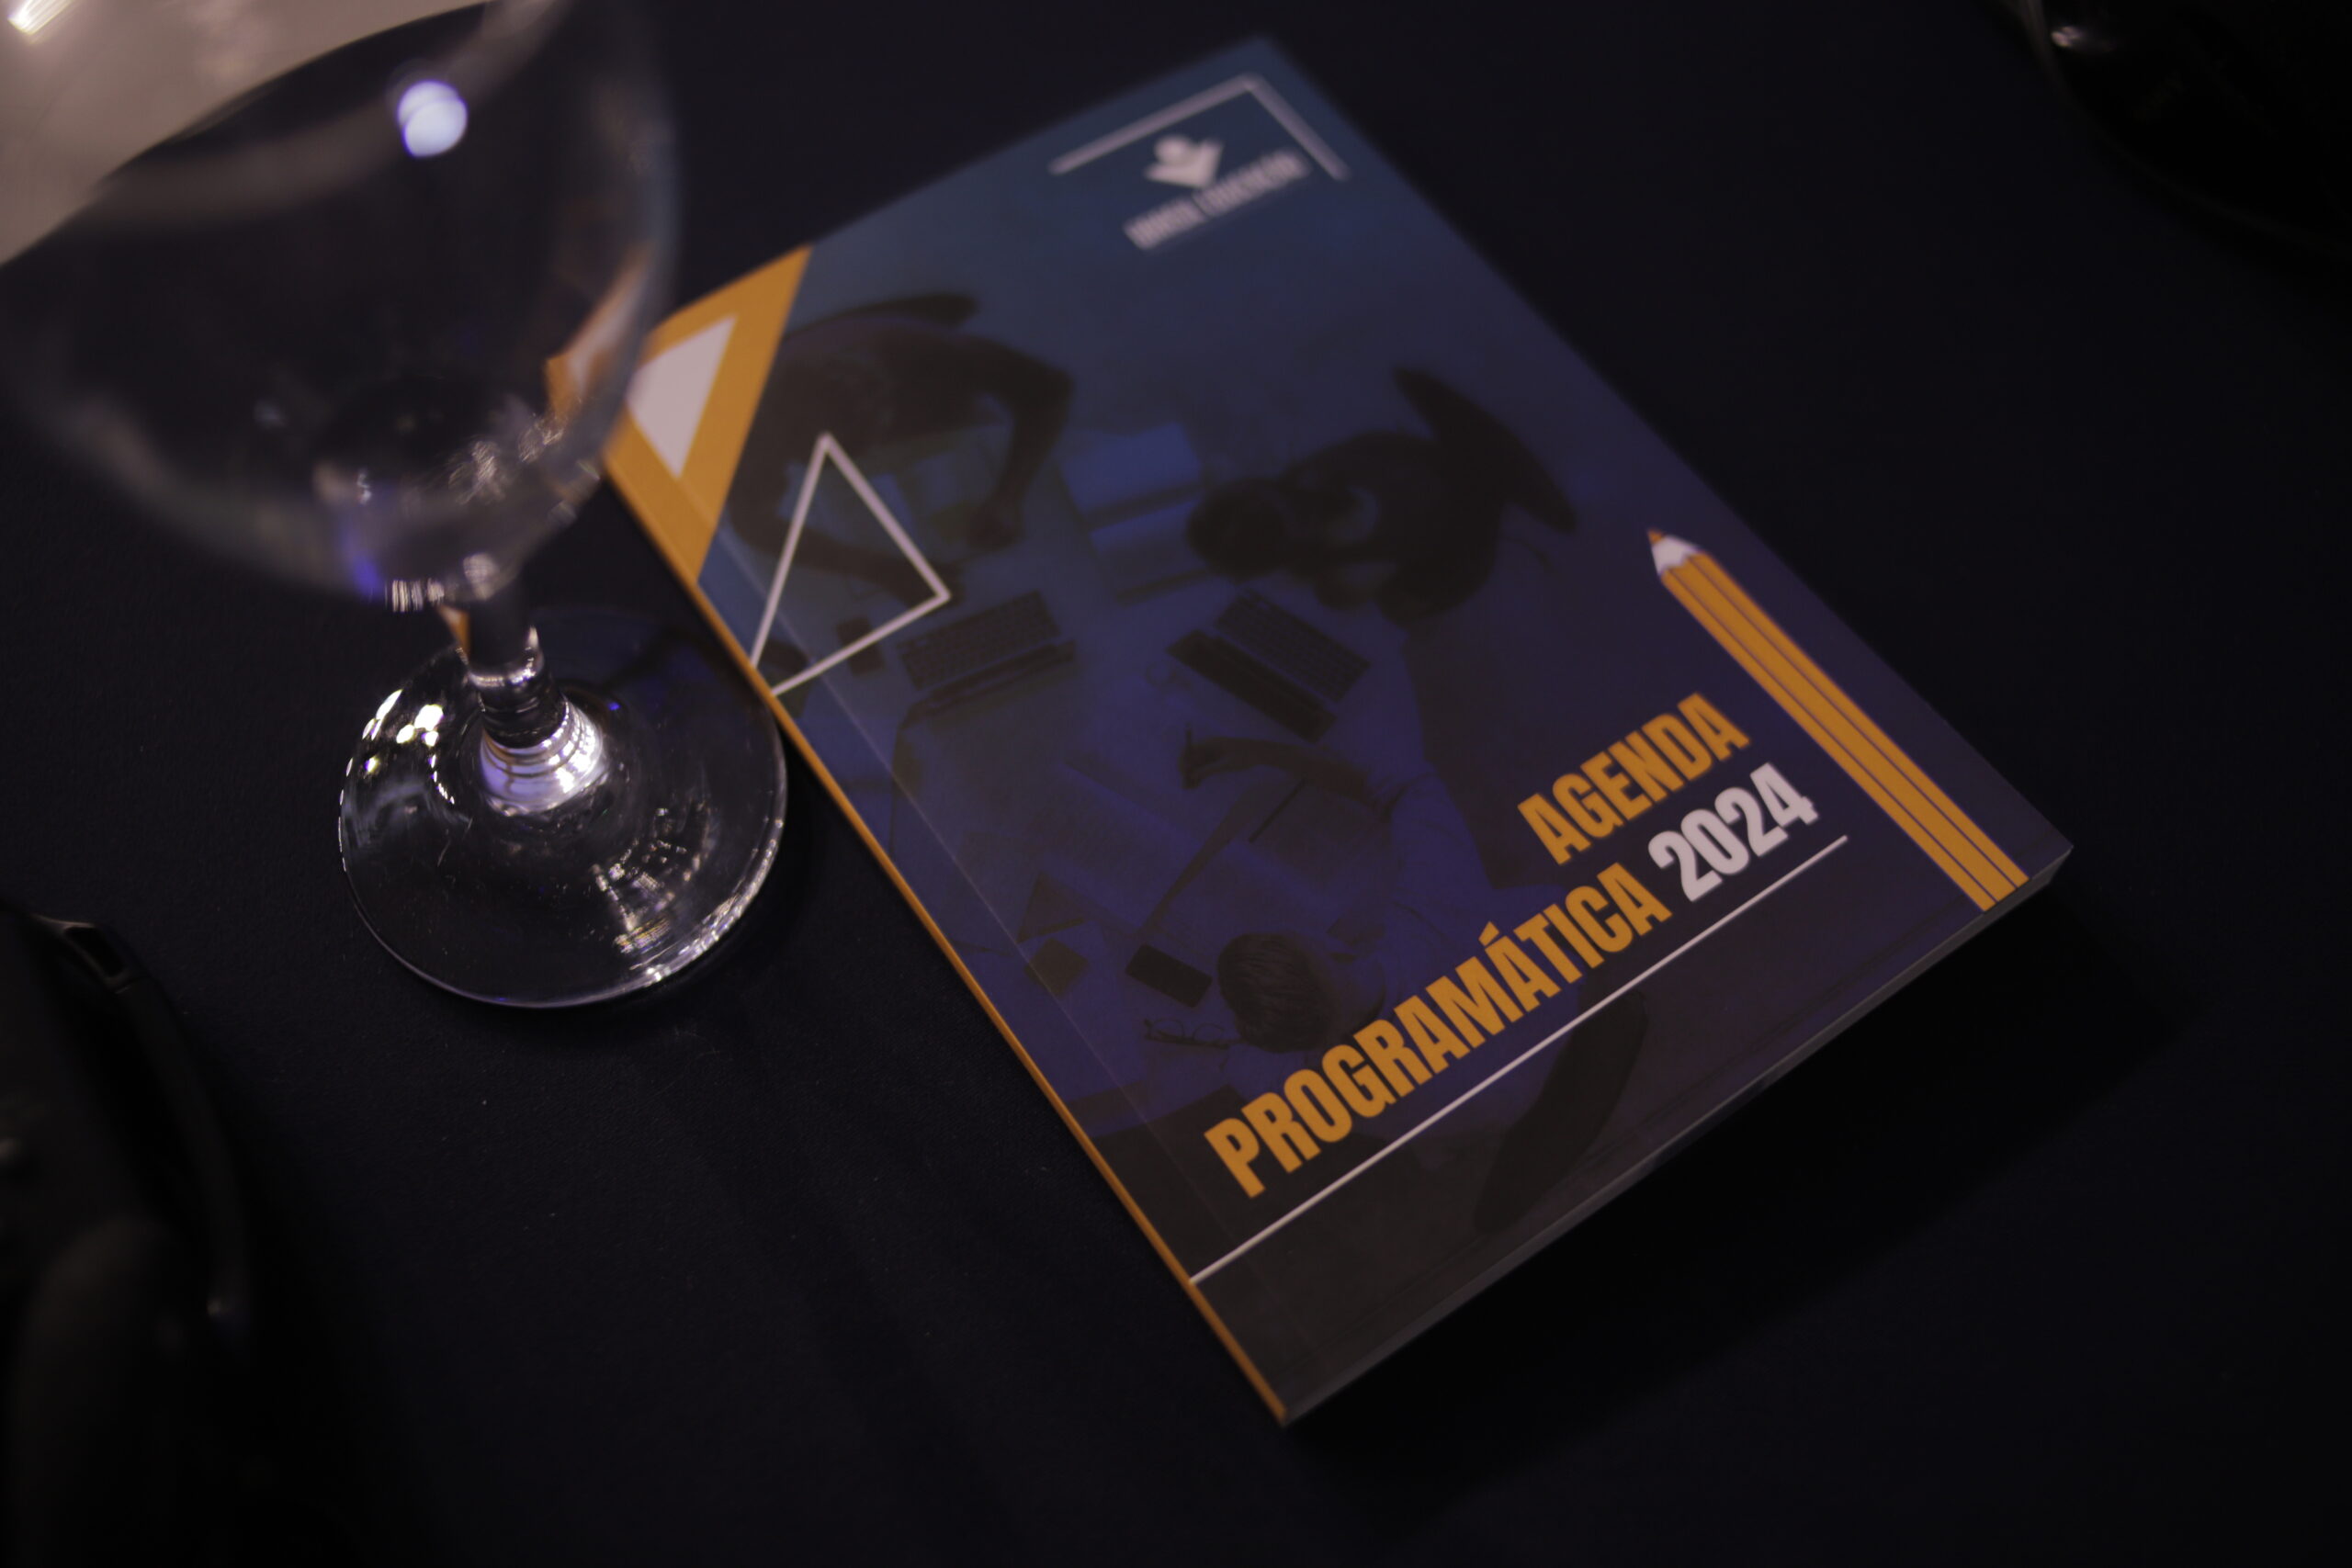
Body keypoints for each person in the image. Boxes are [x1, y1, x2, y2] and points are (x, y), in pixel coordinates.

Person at [1179, 728, 1647, 1235]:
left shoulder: (1309, 1093)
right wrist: (1258, 749)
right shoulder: (1439, 903)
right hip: (1563, 1002)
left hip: (1499, 1115)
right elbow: (1405, 785)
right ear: (1333, 946)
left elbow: (1232, 1057)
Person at [1185, 369, 1616, 890]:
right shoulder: (1316, 482)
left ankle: (1484, 500)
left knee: (1388, 610)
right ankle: (1479, 480)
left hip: (1453, 559)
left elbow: (1344, 594)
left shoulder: (1352, 576)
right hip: (1407, 467)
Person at [723, 294, 1073, 609]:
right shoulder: (760, 420)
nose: (872, 455)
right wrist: (877, 569)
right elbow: (751, 522)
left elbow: (1051, 392)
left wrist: (1009, 496)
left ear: (884, 402)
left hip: (957, 422)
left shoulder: (924, 348)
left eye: (868, 442)